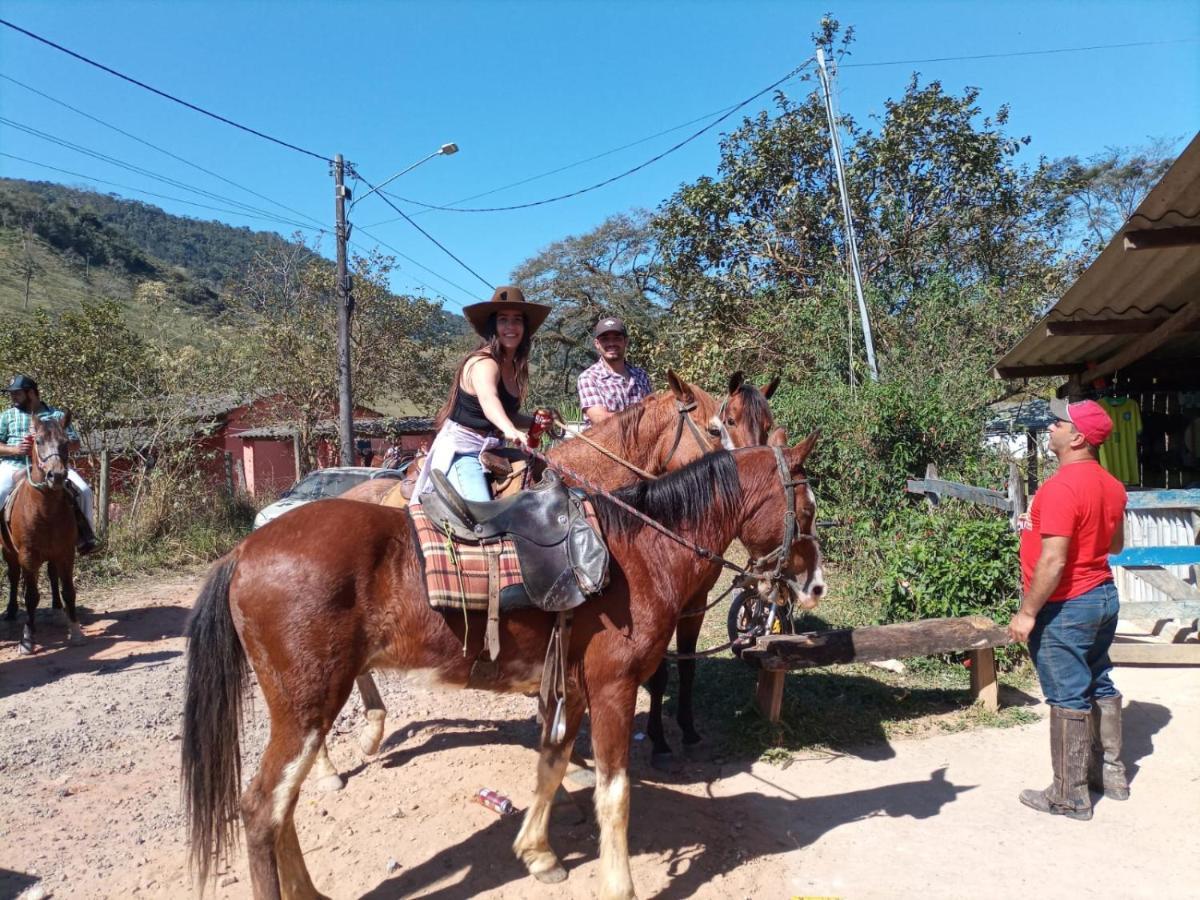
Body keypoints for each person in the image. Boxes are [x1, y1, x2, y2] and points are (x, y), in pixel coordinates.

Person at [1009, 397, 1128, 821]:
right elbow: (1114, 546)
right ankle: (1110, 775)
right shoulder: (1112, 486)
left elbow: (1053, 560)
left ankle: (1069, 795)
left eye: (1058, 423)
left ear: (1077, 437)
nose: (1050, 428)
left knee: (1067, 696)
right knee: (1099, 680)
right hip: (1102, 597)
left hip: (1066, 606)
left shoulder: (1061, 487)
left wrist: (1027, 613)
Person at [411, 286, 550, 502]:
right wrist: (510, 430)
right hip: (463, 450)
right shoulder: (484, 363)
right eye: (503, 319)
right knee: (484, 514)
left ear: (525, 326)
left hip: (494, 448)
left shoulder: (512, 365)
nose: (510, 326)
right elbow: (489, 401)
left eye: (517, 320)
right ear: (493, 326)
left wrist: (534, 422)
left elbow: (506, 414)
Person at [0, 374, 99, 554]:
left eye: (16, 393)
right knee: (0, 492)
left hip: (54, 463)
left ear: (31, 393)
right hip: (14, 464)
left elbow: (76, 444)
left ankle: (86, 538)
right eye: (11, 394)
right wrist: (15, 449)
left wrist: (60, 441)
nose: (12, 397)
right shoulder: (7, 416)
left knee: (84, 491)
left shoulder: (57, 415)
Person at [576, 315, 653, 427]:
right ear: (597, 344)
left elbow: (652, 411)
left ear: (626, 341)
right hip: (602, 443)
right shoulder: (589, 378)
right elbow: (601, 419)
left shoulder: (641, 375)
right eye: (605, 339)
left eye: (617, 338)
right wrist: (643, 417)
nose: (611, 343)